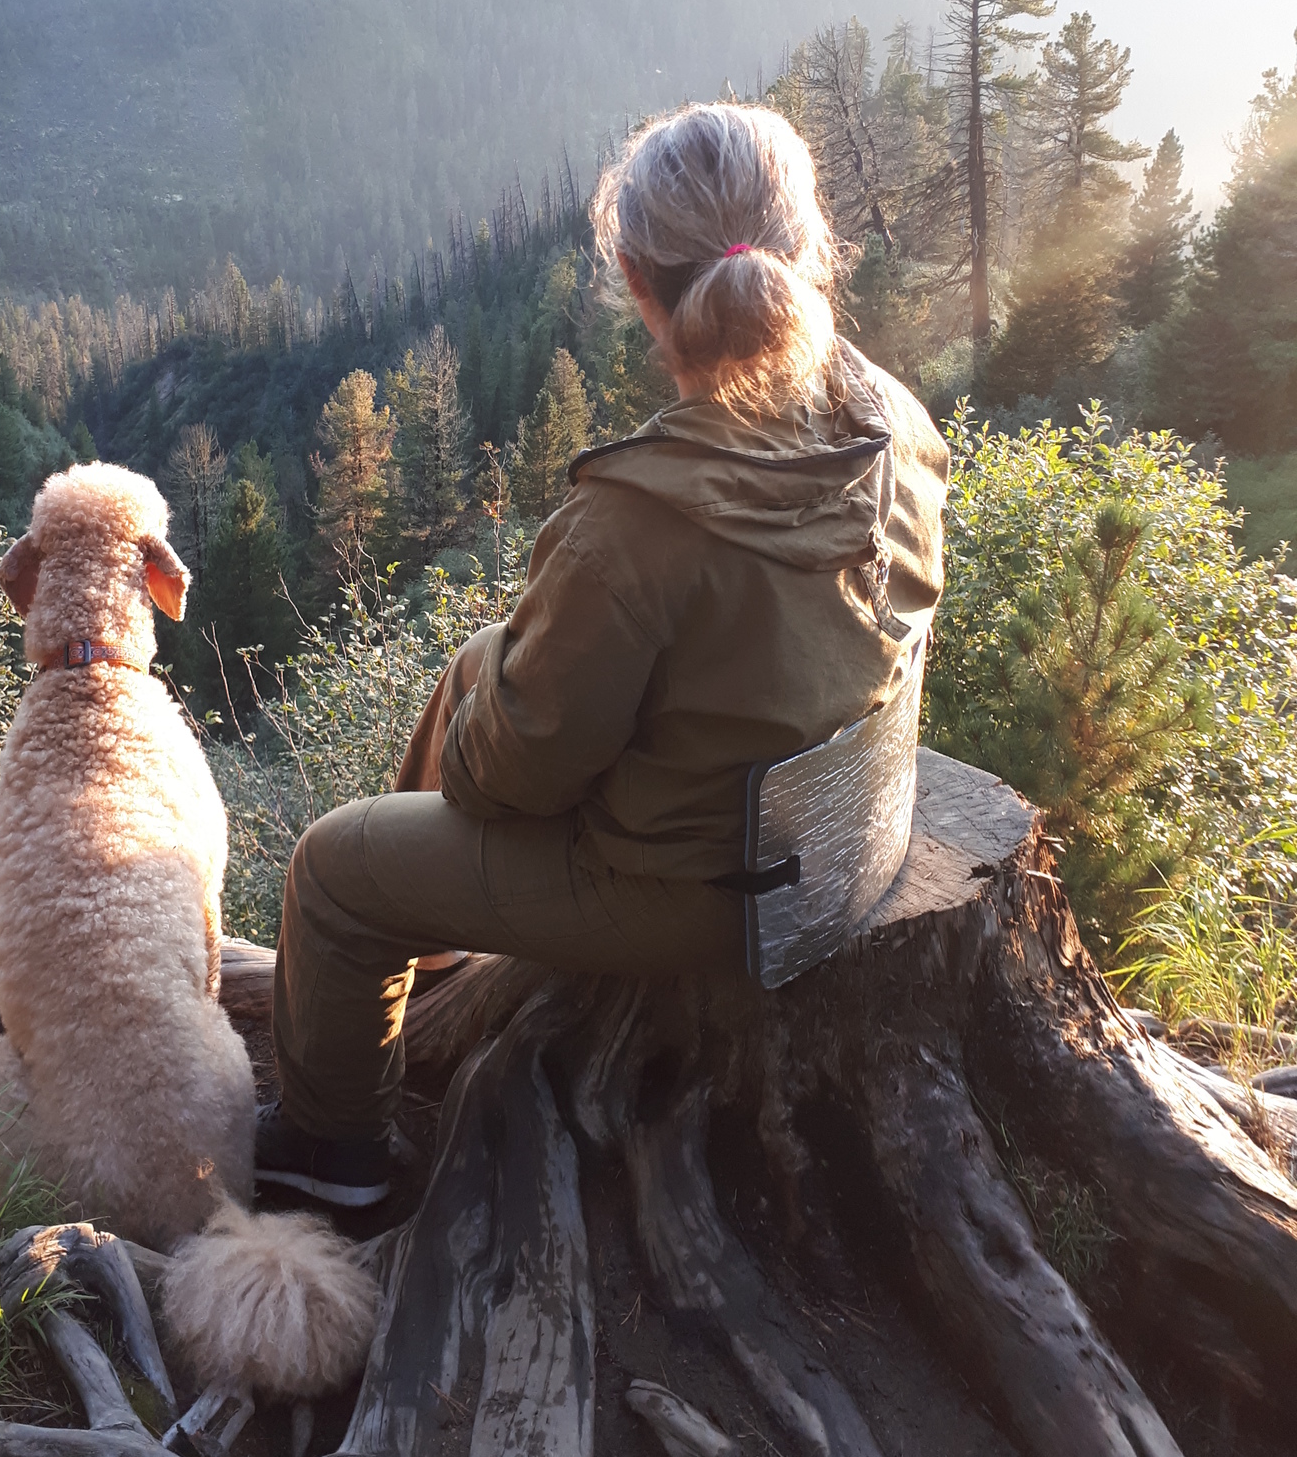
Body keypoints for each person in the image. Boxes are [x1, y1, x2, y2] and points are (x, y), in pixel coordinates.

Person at [254, 100, 949, 1206]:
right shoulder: (888, 418)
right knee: (484, 659)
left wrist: (488, 713)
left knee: (334, 872)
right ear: (808, 251)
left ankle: (334, 1160)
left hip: (697, 888)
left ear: (634, 280)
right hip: (833, 831)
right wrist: (493, 675)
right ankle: (432, 963)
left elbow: (514, 775)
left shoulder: (639, 518)